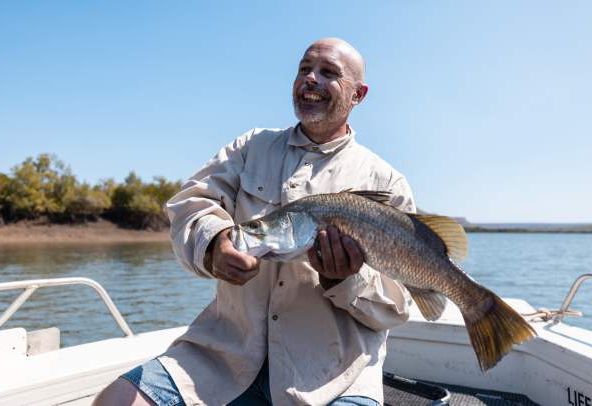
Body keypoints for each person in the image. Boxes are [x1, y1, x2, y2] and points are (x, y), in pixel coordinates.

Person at [94, 37, 416, 406]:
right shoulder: (251, 146)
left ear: (358, 95)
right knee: (116, 400)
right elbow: (190, 204)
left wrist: (344, 280)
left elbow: (397, 307)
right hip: (223, 357)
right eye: (304, 69)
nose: (310, 78)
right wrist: (214, 245)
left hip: (334, 375)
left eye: (328, 73)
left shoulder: (387, 182)